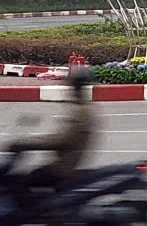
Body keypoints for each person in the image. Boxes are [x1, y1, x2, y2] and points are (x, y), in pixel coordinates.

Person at [7, 68, 97, 201]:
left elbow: (60, 140)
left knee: (19, 183)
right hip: (65, 164)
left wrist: (25, 144)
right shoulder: (81, 107)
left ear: (75, 86)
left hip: (62, 169)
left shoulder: (80, 112)